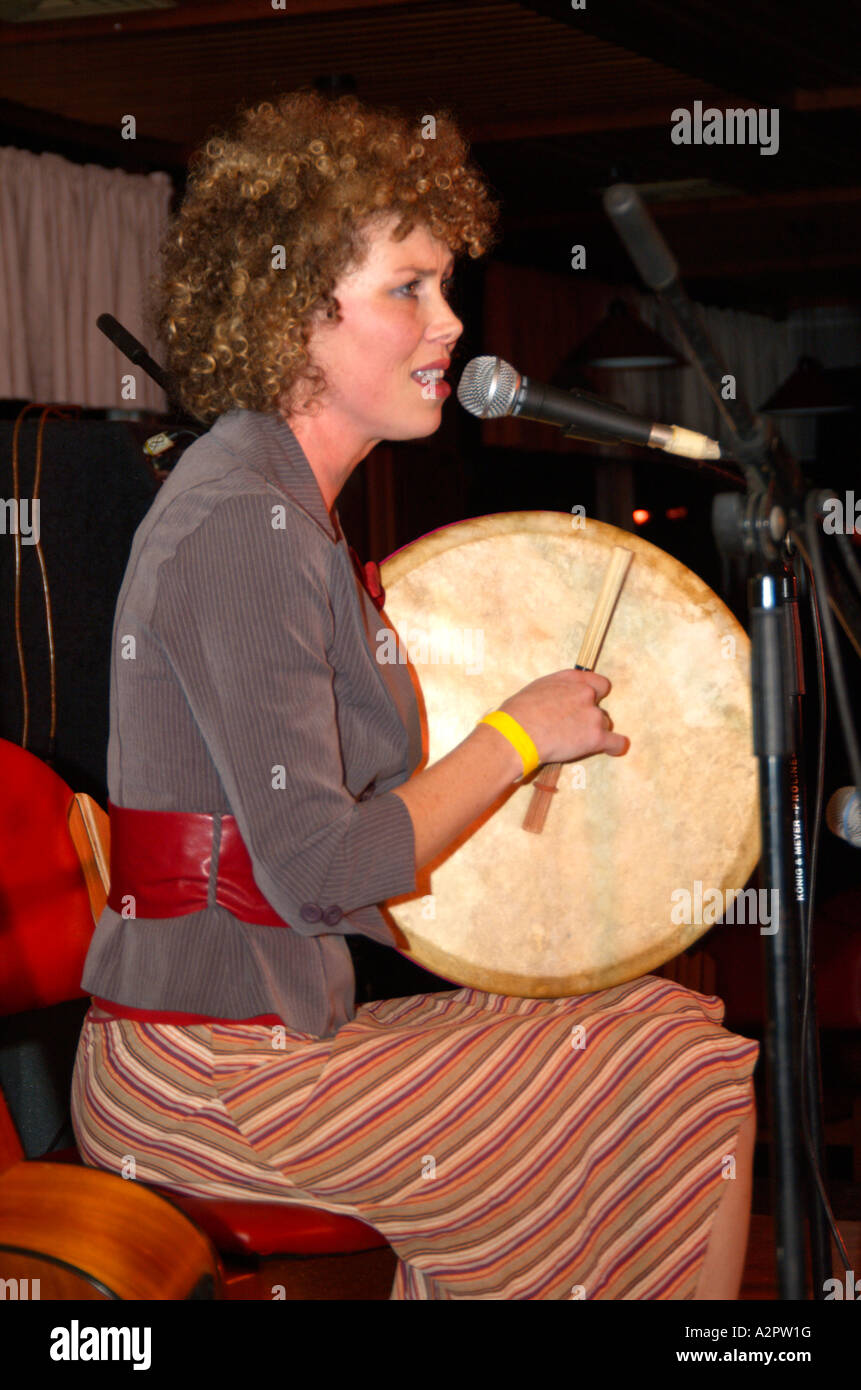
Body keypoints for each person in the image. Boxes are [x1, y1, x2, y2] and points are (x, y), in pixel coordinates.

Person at [71, 90, 758, 1300]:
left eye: (446, 285)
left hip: (277, 1039)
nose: (451, 322)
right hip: (205, 1080)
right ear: (293, 311)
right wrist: (515, 736)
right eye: (410, 288)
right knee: (672, 1067)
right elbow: (320, 868)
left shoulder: (286, 508)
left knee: (664, 1023)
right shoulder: (242, 524)